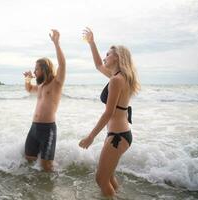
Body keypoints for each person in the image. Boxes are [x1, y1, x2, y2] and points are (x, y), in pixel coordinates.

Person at [79, 27, 140, 197]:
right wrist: (92, 43)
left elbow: (108, 113)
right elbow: (98, 65)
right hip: (119, 134)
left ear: (117, 58)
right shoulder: (121, 77)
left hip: (118, 136)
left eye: (108, 54)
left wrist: (91, 136)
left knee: (101, 179)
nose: (105, 57)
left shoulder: (116, 80)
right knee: (109, 177)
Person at [23, 29, 66, 171]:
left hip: (48, 130)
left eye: (37, 69)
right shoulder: (41, 86)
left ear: (45, 69)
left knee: (46, 167)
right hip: (34, 128)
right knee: (29, 160)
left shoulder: (56, 83)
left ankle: (52, 188)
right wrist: (28, 78)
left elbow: (62, 65)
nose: (35, 72)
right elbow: (29, 89)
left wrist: (56, 43)